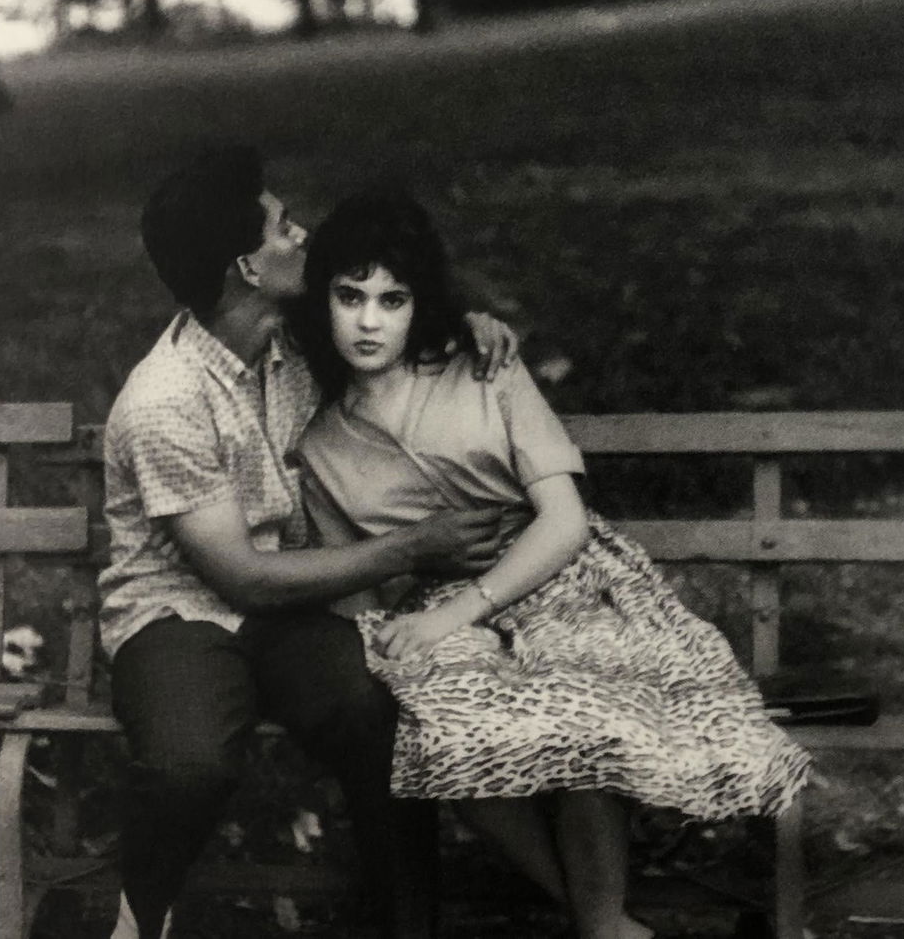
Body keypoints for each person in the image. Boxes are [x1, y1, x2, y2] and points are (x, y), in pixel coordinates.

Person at [290, 190, 813, 939]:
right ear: (324, 300)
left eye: (392, 299)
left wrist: (465, 606)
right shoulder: (321, 440)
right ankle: (603, 923)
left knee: (583, 708)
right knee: (443, 729)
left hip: (564, 577)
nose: (370, 321)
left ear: (419, 303)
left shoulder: (481, 367)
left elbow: (563, 520)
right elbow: (364, 579)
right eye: (350, 296)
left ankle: (602, 926)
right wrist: (402, 633)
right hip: (439, 605)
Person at [98, 147, 519, 939]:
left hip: (293, 608)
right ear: (246, 270)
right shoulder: (162, 403)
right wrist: (415, 546)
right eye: (283, 226)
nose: (302, 234)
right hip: (178, 614)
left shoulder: (296, 336)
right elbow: (244, 581)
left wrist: (463, 322)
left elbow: (387, 316)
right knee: (192, 765)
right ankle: (141, 912)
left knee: (380, 719)